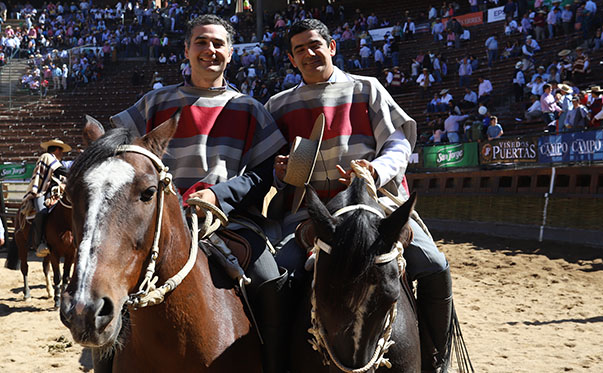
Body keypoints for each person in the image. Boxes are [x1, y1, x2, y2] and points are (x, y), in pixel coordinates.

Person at [265, 19, 454, 372]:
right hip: (310, 216)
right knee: (276, 277)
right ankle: (275, 364)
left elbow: (398, 142)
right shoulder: (278, 105)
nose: (308, 54)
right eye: (299, 50)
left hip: (375, 206)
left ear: (332, 47)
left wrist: (375, 171)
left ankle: (436, 361)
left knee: (434, 265)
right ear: (291, 59)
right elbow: (276, 164)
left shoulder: (367, 89)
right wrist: (281, 169)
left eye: (314, 45)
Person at [110, 15, 287, 373]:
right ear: (187, 50)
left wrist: (219, 196)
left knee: (271, 282)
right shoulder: (154, 103)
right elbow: (120, 153)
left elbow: (266, 174)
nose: (210, 50)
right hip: (158, 223)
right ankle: (105, 361)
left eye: (218, 43)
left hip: (229, 221)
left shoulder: (250, 108)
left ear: (231, 53)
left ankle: (274, 364)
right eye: (202, 43)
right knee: (108, 284)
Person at [24, 139, 71, 258]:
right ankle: (40, 242)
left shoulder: (56, 161)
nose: (62, 154)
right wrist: (75, 173)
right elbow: (61, 171)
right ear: (56, 150)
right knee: (42, 212)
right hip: (41, 192)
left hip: (55, 193)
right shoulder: (47, 156)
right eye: (61, 151)